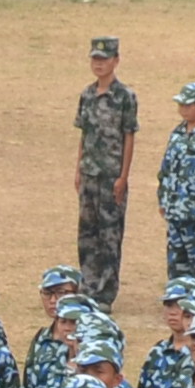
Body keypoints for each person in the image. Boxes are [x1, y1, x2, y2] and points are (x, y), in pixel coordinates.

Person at [75, 38, 138, 308]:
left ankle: (105, 293)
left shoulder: (125, 97)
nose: (99, 64)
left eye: (104, 58)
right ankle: (87, 285)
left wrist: (123, 176)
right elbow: (84, 135)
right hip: (89, 174)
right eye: (95, 59)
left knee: (110, 236)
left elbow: (128, 137)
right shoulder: (87, 95)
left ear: (116, 60)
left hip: (112, 176)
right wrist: (78, 168)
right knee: (87, 233)